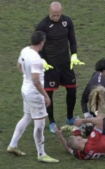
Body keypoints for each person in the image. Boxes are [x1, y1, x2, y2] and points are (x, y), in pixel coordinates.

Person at [6, 31, 59, 163]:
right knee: (40, 124)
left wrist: (27, 77)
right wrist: (46, 96)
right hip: (34, 94)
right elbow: (36, 81)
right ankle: (41, 154)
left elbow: (19, 66)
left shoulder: (24, 50)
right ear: (42, 42)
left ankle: (12, 145)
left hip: (25, 89)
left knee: (27, 116)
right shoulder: (36, 59)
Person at [34, 2, 85, 134]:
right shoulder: (42, 25)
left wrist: (73, 56)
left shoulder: (67, 21)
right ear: (48, 11)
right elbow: (36, 45)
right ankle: (51, 121)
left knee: (72, 90)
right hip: (51, 65)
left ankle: (69, 117)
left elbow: (72, 40)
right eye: (53, 15)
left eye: (58, 15)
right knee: (49, 94)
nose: (56, 17)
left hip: (66, 63)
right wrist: (42, 60)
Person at [54, 85, 105, 160]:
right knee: (100, 117)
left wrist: (60, 136)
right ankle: (97, 97)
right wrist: (83, 120)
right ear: (79, 140)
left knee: (85, 132)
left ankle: (79, 128)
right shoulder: (93, 140)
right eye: (78, 138)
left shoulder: (81, 155)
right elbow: (100, 121)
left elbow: (68, 148)